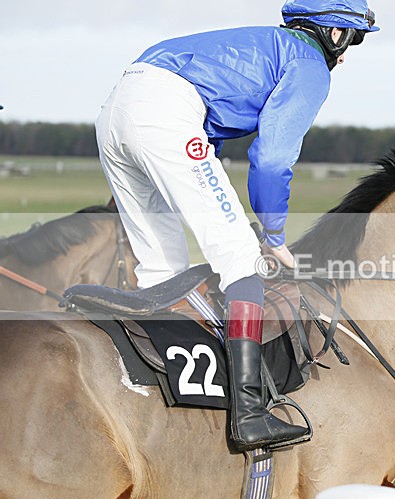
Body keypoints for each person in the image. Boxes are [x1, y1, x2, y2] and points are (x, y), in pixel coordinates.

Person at [95, 0, 379, 451]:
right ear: (334, 32)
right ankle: (249, 413)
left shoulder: (263, 45)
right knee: (243, 259)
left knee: (162, 272)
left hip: (116, 108)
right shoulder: (309, 64)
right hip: (165, 112)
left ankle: (156, 400)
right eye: (355, 39)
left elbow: (206, 135)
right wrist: (273, 236)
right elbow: (271, 159)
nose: (347, 55)